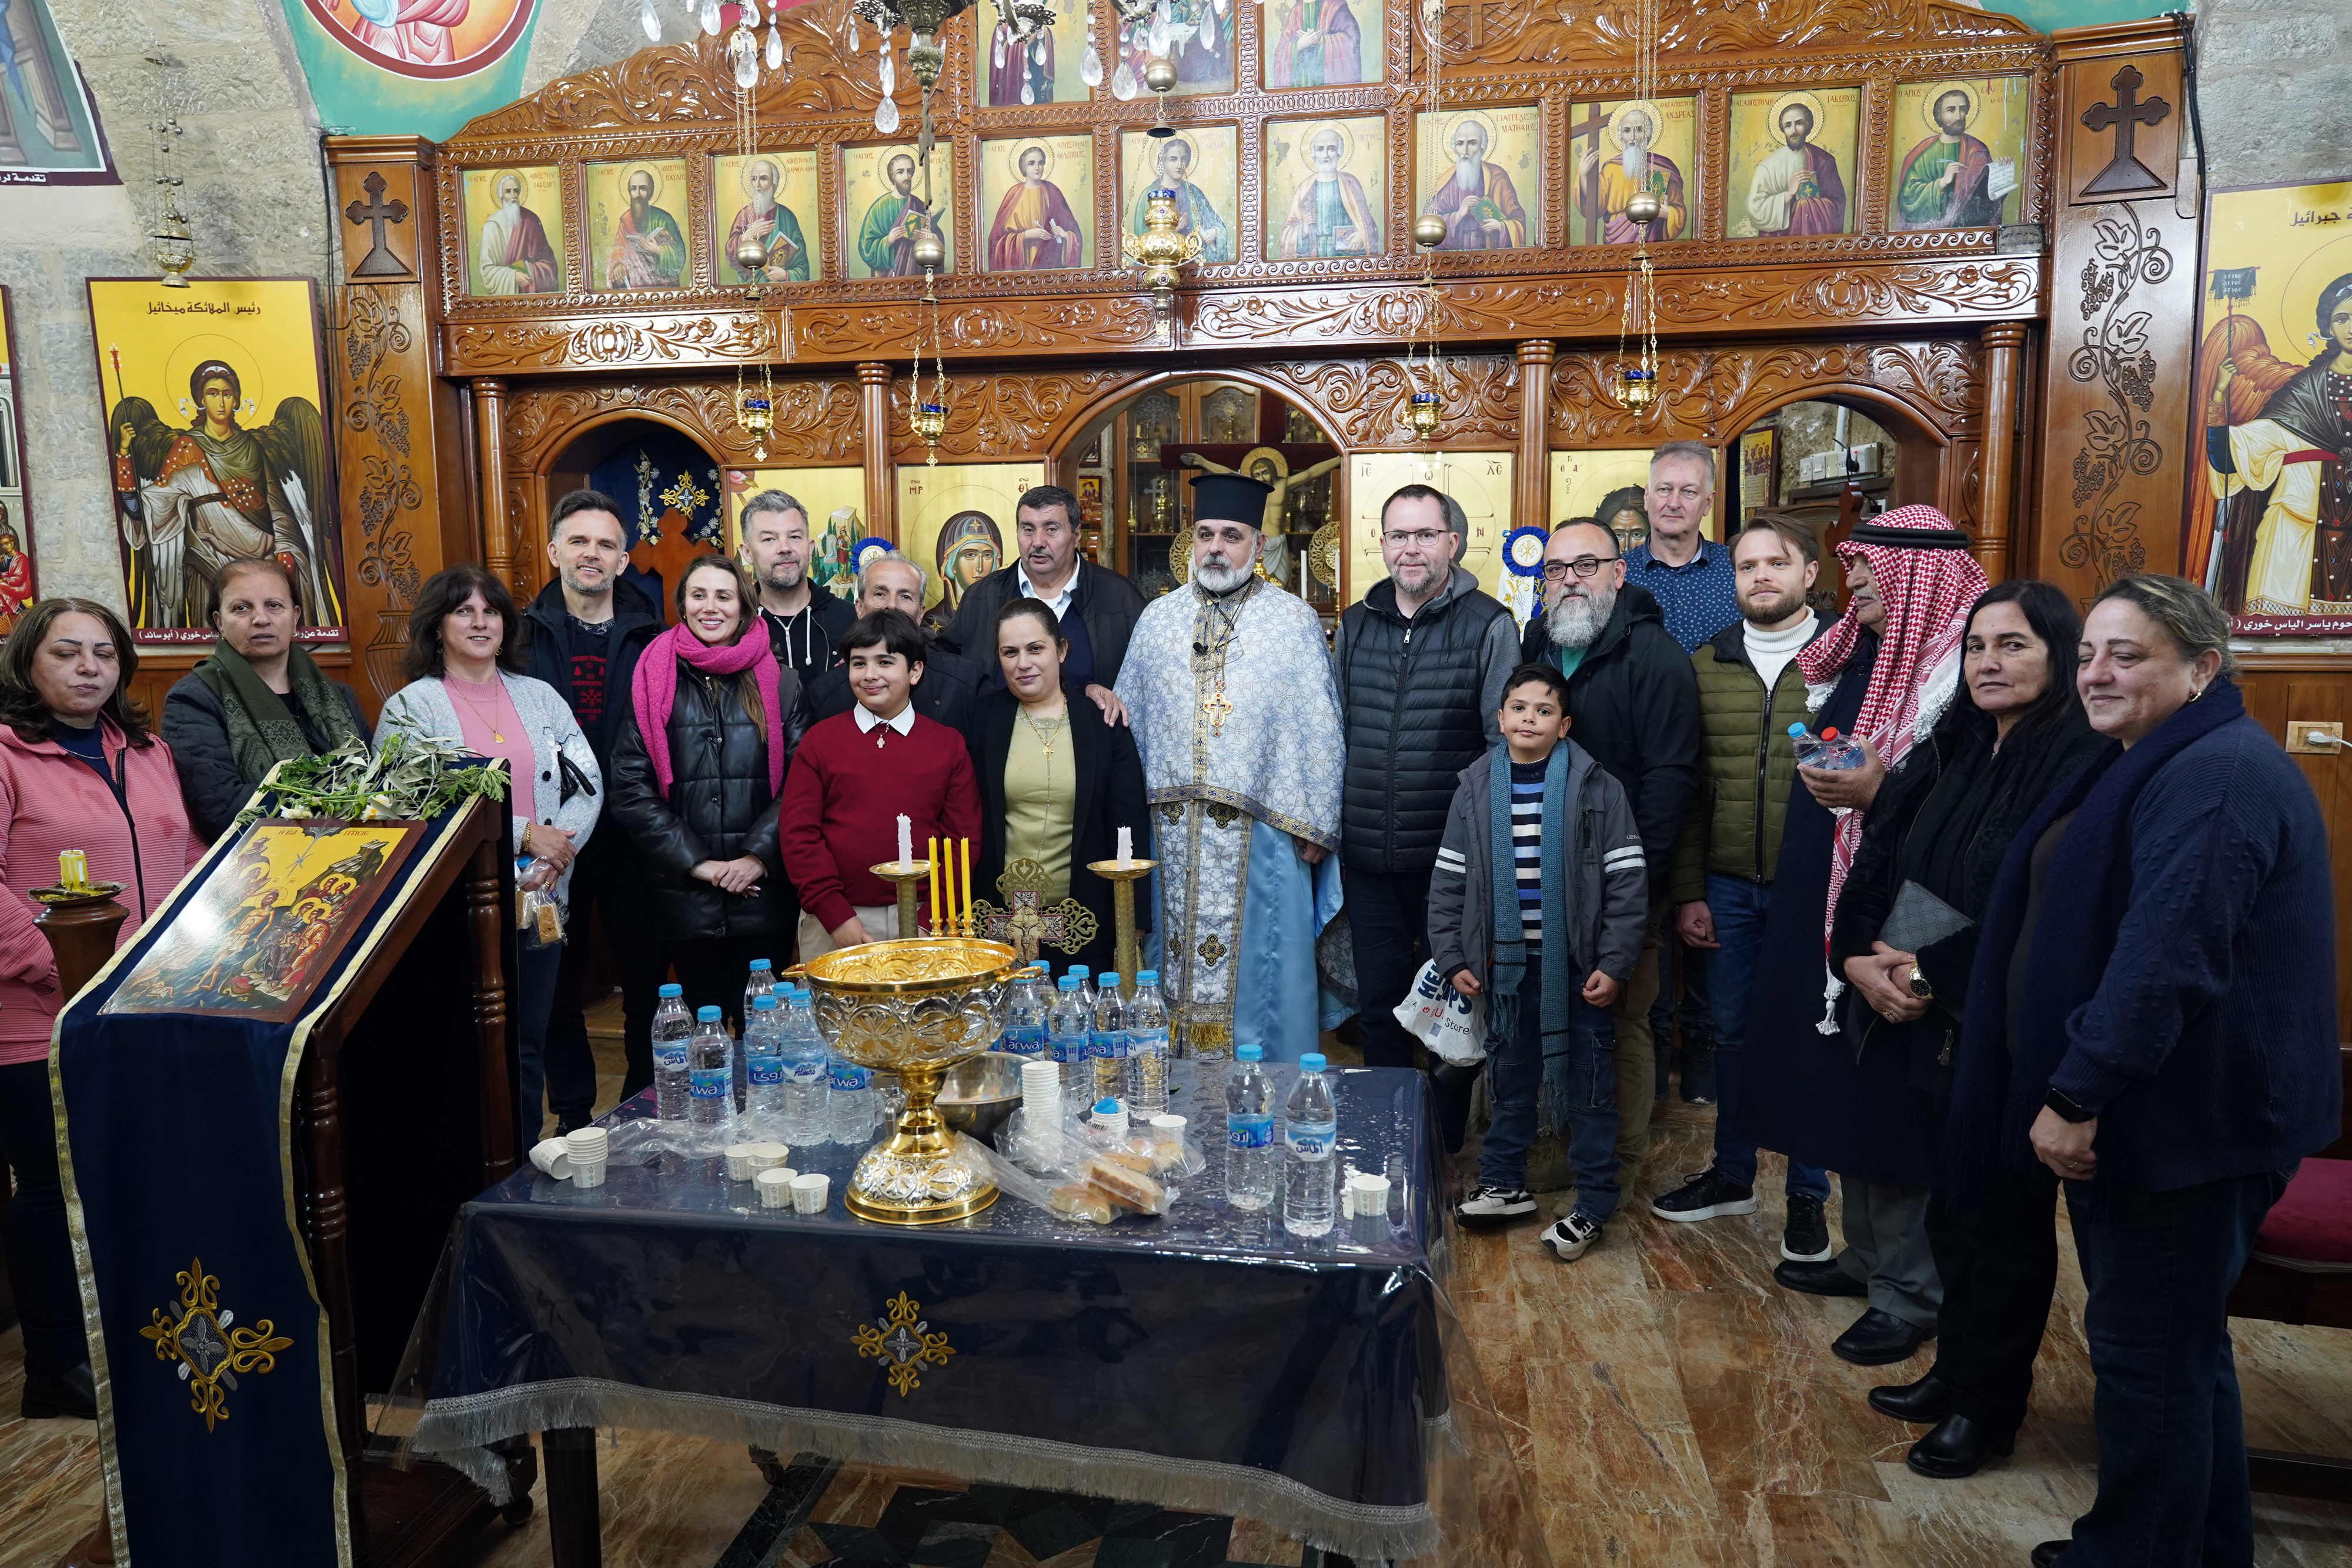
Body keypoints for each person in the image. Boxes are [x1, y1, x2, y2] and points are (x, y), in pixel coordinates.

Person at [1952, 577, 2337, 1568]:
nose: (2098, 673)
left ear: (2202, 667)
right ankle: (2206, 1549)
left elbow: (2167, 954)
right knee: (2181, 1345)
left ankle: (2136, 1552)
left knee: (2147, 1354)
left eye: (2128, 656)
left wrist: (2078, 1092)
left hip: (2182, 1121)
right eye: (2090, 655)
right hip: (2171, 1110)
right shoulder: (2162, 757)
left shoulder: (2216, 774)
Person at [1826, 580, 2104, 1480]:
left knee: (2005, 1223)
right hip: (1921, 1006)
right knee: (1952, 1205)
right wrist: (1855, 958)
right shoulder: (1954, 741)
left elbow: (2037, 908)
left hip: (2007, 1024)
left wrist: (1920, 969)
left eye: (2014, 645)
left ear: (2060, 655)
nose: (1990, 661)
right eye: (1980, 645)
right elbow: (1882, 851)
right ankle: (1955, 1368)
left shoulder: (2079, 759)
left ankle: (1991, 1406)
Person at [1737, 504, 1987, 1368]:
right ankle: (1870, 1256)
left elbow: (1962, 827)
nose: (1860, 585)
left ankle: (1910, 1292)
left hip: (1916, 921)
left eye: (1874, 572)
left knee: (1896, 1101)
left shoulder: (1959, 676)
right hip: (1853, 909)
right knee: (1850, 1083)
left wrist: (1875, 789)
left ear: (1920, 577)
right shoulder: (1878, 650)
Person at [0, 598, 204, 1422]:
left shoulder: (147, 749)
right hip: (37, 1013)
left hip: (147, 1004)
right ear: (27, 663)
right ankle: (53, 1366)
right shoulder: (8, 753)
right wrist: (57, 964)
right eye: (67, 652)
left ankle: (121, 1335)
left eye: (104, 654)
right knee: (52, 1187)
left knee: (132, 1175)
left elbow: (185, 853)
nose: (89, 667)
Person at [1652, 516, 1835, 1257]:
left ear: (1808, 575)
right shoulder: (1706, 663)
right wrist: (1690, 889)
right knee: (1729, 1034)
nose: (1759, 577)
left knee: (1807, 1040)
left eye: (1775, 564)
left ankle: (1807, 1198)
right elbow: (1694, 789)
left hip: (1813, 888)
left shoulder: (1843, 660)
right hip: (1726, 886)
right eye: (1746, 566)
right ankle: (1731, 1177)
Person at [1116, 470, 1343, 1062]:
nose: (1216, 548)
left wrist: (1317, 822)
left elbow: (1319, 726)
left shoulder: (1292, 621)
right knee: (1161, 973)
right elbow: (1129, 720)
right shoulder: (1157, 620)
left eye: (1232, 536)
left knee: (1264, 983)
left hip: (1263, 836)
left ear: (1258, 545)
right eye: (1206, 535)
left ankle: (1265, 1104)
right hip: (1167, 839)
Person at [376, 565, 602, 1145]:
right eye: (464, 611)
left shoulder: (540, 697)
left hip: (542, 902)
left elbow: (588, 782)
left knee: (528, 1043)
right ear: (437, 625)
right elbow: (412, 804)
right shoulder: (410, 709)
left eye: (492, 611)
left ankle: (521, 1162)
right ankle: (468, 1170)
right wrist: (524, 832)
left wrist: (554, 856)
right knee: (465, 1045)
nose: (480, 622)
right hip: (459, 908)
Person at [1431, 664, 1647, 1256]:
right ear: (1499, 719)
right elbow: (1449, 882)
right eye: (1518, 707)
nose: (1529, 717)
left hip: (1576, 970)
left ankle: (1595, 1199)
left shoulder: (1597, 788)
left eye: (1543, 710)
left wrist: (1615, 961)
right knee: (1509, 1077)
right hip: (1503, 971)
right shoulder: (1475, 787)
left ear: (1564, 724)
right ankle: (1504, 1183)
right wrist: (1452, 956)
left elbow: (1627, 883)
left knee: (1590, 1086)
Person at [1519, 518, 1701, 1174]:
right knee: (1556, 1014)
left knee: (1620, 1020)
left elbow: (1671, 777)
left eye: (1585, 566)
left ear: (1619, 574)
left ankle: (1618, 1163)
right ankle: (1562, 1147)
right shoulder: (1540, 636)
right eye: (1556, 569)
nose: (1570, 580)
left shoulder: (1655, 655)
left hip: (1621, 881)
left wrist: (1636, 886)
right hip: (1547, 871)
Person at [1330, 484, 1516, 1083]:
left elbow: (1502, 745)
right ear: (1382, 545)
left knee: (1450, 1009)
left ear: (1452, 543)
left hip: (1449, 860)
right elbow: (1334, 732)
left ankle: (1444, 1144)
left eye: (1425, 535)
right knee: (1379, 1004)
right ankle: (1388, 1138)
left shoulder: (1489, 624)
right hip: (1367, 857)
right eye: (1398, 536)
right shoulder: (1355, 624)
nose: (1411, 549)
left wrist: (1486, 845)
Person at [606, 554, 803, 1030]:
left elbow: (804, 783)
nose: (710, 607)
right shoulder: (653, 677)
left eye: (723, 595)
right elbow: (631, 788)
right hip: (685, 895)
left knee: (768, 1039)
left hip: (764, 893)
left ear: (743, 605)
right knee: (704, 1043)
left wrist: (756, 856)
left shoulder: (783, 682)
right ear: (682, 604)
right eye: (699, 595)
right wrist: (701, 864)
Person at [522, 490, 666, 1127]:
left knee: (644, 982)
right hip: (552, 838)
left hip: (634, 833)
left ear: (624, 559)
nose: (591, 554)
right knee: (556, 980)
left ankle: (641, 1103)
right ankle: (575, 1112)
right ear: (554, 550)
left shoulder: (654, 636)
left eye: (605, 544)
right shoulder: (520, 636)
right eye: (578, 541)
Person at [959, 597, 1151, 973]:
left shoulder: (1102, 722)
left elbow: (1128, 820)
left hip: (1084, 922)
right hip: (994, 922)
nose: (1023, 663)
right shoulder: (978, 720)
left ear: (1061, 650)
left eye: (1036, 648)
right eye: (1009, 652)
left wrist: (1134, 918)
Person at [780, 610, 980, 955]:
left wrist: (932, 918)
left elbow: (962, 842)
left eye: (885, 662)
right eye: (859, 663)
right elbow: (799, 834)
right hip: (836, 922)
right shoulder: (820, 741)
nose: (870, 675)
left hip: (925, 921)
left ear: (914, 670)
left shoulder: (947, 744)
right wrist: (835, 915)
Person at [163, 556, 368, 842]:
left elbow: (375, 778)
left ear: (295, 617)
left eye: (274, 605)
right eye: (242, 608)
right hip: (258, 865)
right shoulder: (195, 699)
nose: (261, 619)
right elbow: (222, 811)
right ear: (220, 623)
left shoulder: (338, 695)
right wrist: (340, 798)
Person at [938, 484, 1145, 708]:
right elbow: (944, 664)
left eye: (1051, 529)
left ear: (1076, 536)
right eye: (1028, 529)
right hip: (999, 736)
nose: (1037, 542)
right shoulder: (983, 596)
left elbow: (1147, 678)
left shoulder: (1119, 596)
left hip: (1091, 737)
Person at [804, 551, 987, 729]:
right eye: (880, 594)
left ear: (920, 614)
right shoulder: (824, 694)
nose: (891, 605)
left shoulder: (965, 683)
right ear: (859, 609)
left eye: (905, 597)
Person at [1626, 443, 1740, 655]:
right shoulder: (1617, 573)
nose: (1673, 503)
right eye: (1664, 490)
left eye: (1688, 492)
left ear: (1708, 503)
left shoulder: (1738, 567)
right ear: (1647, 497)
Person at [743, 488, 856, 687]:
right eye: (769, 539)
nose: (785, 548)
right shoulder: (736, 624)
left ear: (810, 547)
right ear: (747, 553)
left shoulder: (850, 620)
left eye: (795, 537)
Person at [1576, 105, 1689, 243]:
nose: (1632, 137)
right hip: (1615, 245)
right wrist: (1583, 176)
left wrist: (1668, 213)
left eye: (1639, 130)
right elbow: (1595, 206)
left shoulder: (1664, 168)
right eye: (1627, 131)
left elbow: (1679, 211)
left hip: (1653, 246)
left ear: (1648, 134)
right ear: (1620, 136)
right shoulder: (1611, 169)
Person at [1895, 88, 1997, 231]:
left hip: (1968, 232)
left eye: (1962, 109)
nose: (1958, 116)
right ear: (1939, 116)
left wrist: (1999, 171)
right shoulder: (1923, 153)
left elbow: (1988, 195)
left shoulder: (1978, 150)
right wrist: (1942, 183)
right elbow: (1907, 199)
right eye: (1951, 110)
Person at [1744, 99, 1848, 237]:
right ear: (1782, 129)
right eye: (1788, 126)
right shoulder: (1768, 166)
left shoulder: (1824, 160)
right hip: (1779, 243)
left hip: (1815, 242)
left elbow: (1838, 205)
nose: (1793, 131)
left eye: (1799, 123)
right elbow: (1755, 208)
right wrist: (1788, 195)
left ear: (1808, 126)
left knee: (1804, 204)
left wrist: (1805, 205)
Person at [1422, 116, 1528, 250]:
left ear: (1482, 148)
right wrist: (1459, 215)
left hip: (1492, 259)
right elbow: (1428, 227)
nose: (1465, 152)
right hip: (1452, 262)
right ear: (1454, 148)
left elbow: (1519, 221)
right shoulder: (1445, 182)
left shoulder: (1498, 177)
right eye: (1460, 144)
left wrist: (1501, 226)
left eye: (1472, 143)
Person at [1277, 125, 1381, 259]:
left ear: (1339, 152)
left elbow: (1368, 224)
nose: (1325, 155)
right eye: (1320, 149)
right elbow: (1287, 234)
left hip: (1347, 256)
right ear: (1314, 154)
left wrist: (1362, 236)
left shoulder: (1351, 183)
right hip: (1312, 260)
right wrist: (1304, 229)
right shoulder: (1303, 189)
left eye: (1331, 148)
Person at [1128, 136, 1231, 263]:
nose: (1180, 165)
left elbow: (1215, 223)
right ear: (1162, 162)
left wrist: (1216, 232)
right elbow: (1141, 238)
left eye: (1184, 159)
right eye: (1173, 159)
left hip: (1194, 265)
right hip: (1159, 264)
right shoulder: (1149, 195)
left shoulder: (1194, 192)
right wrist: (1176, 229)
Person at [988, 143, 1085, 270]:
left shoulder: (1053, 192)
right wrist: (1027, 235)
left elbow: (1074, 230)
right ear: (1024, 167)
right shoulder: (1014, 194)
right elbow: (996, 241)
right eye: (1031, 163)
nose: (1037, 168)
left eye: (1041, 163)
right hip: (1021, 269)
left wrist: (1066, 235)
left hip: (1049, 265)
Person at [724, 156, 813, 284]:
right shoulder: (744, 215)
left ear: (774, 185)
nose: (758, 185)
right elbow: (731, 256)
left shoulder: (787, 217)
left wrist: (786, 275)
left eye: (764, 178)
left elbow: (801, 262)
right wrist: (746, 236)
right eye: (754, 179)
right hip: (749, 288)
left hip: (781, 291)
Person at [857, 152, 944, 278]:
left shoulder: (920, 205)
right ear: (892, 176)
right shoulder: (880, 207)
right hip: (889, 278)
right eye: (900, 172)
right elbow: (866, 247)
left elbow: (939, 238)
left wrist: (930, 237)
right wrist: (888, 241)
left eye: (909, 171)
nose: (906, 177)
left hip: (917, 275)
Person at [476, 170, 562, 294]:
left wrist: (527, 269)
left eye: (516, 191)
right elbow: (486, 272)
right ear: (501, 196)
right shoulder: (492, 226)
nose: (513, 196)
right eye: (508, 192)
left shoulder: (531, 220)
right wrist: (513, 276)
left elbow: (550, 265)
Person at [604, 166, 686, 289]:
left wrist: (658, 250)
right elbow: (619, 248)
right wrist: (618, 264)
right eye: (633, 189)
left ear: (651, 192)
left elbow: (680, 253)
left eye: (643, 189)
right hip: (634, 289)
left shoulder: (664, 219)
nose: (637, 194)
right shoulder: (626, 221)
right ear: (629, 192)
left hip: (662, 289)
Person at [1265, 0, 1362, 86]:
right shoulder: (1296, 11)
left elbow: (1351, 40)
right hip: (1300, 89)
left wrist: (1322, 41)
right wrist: (1299, 45)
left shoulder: (1336, 6)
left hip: (1328, 89)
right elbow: (1281, 51)